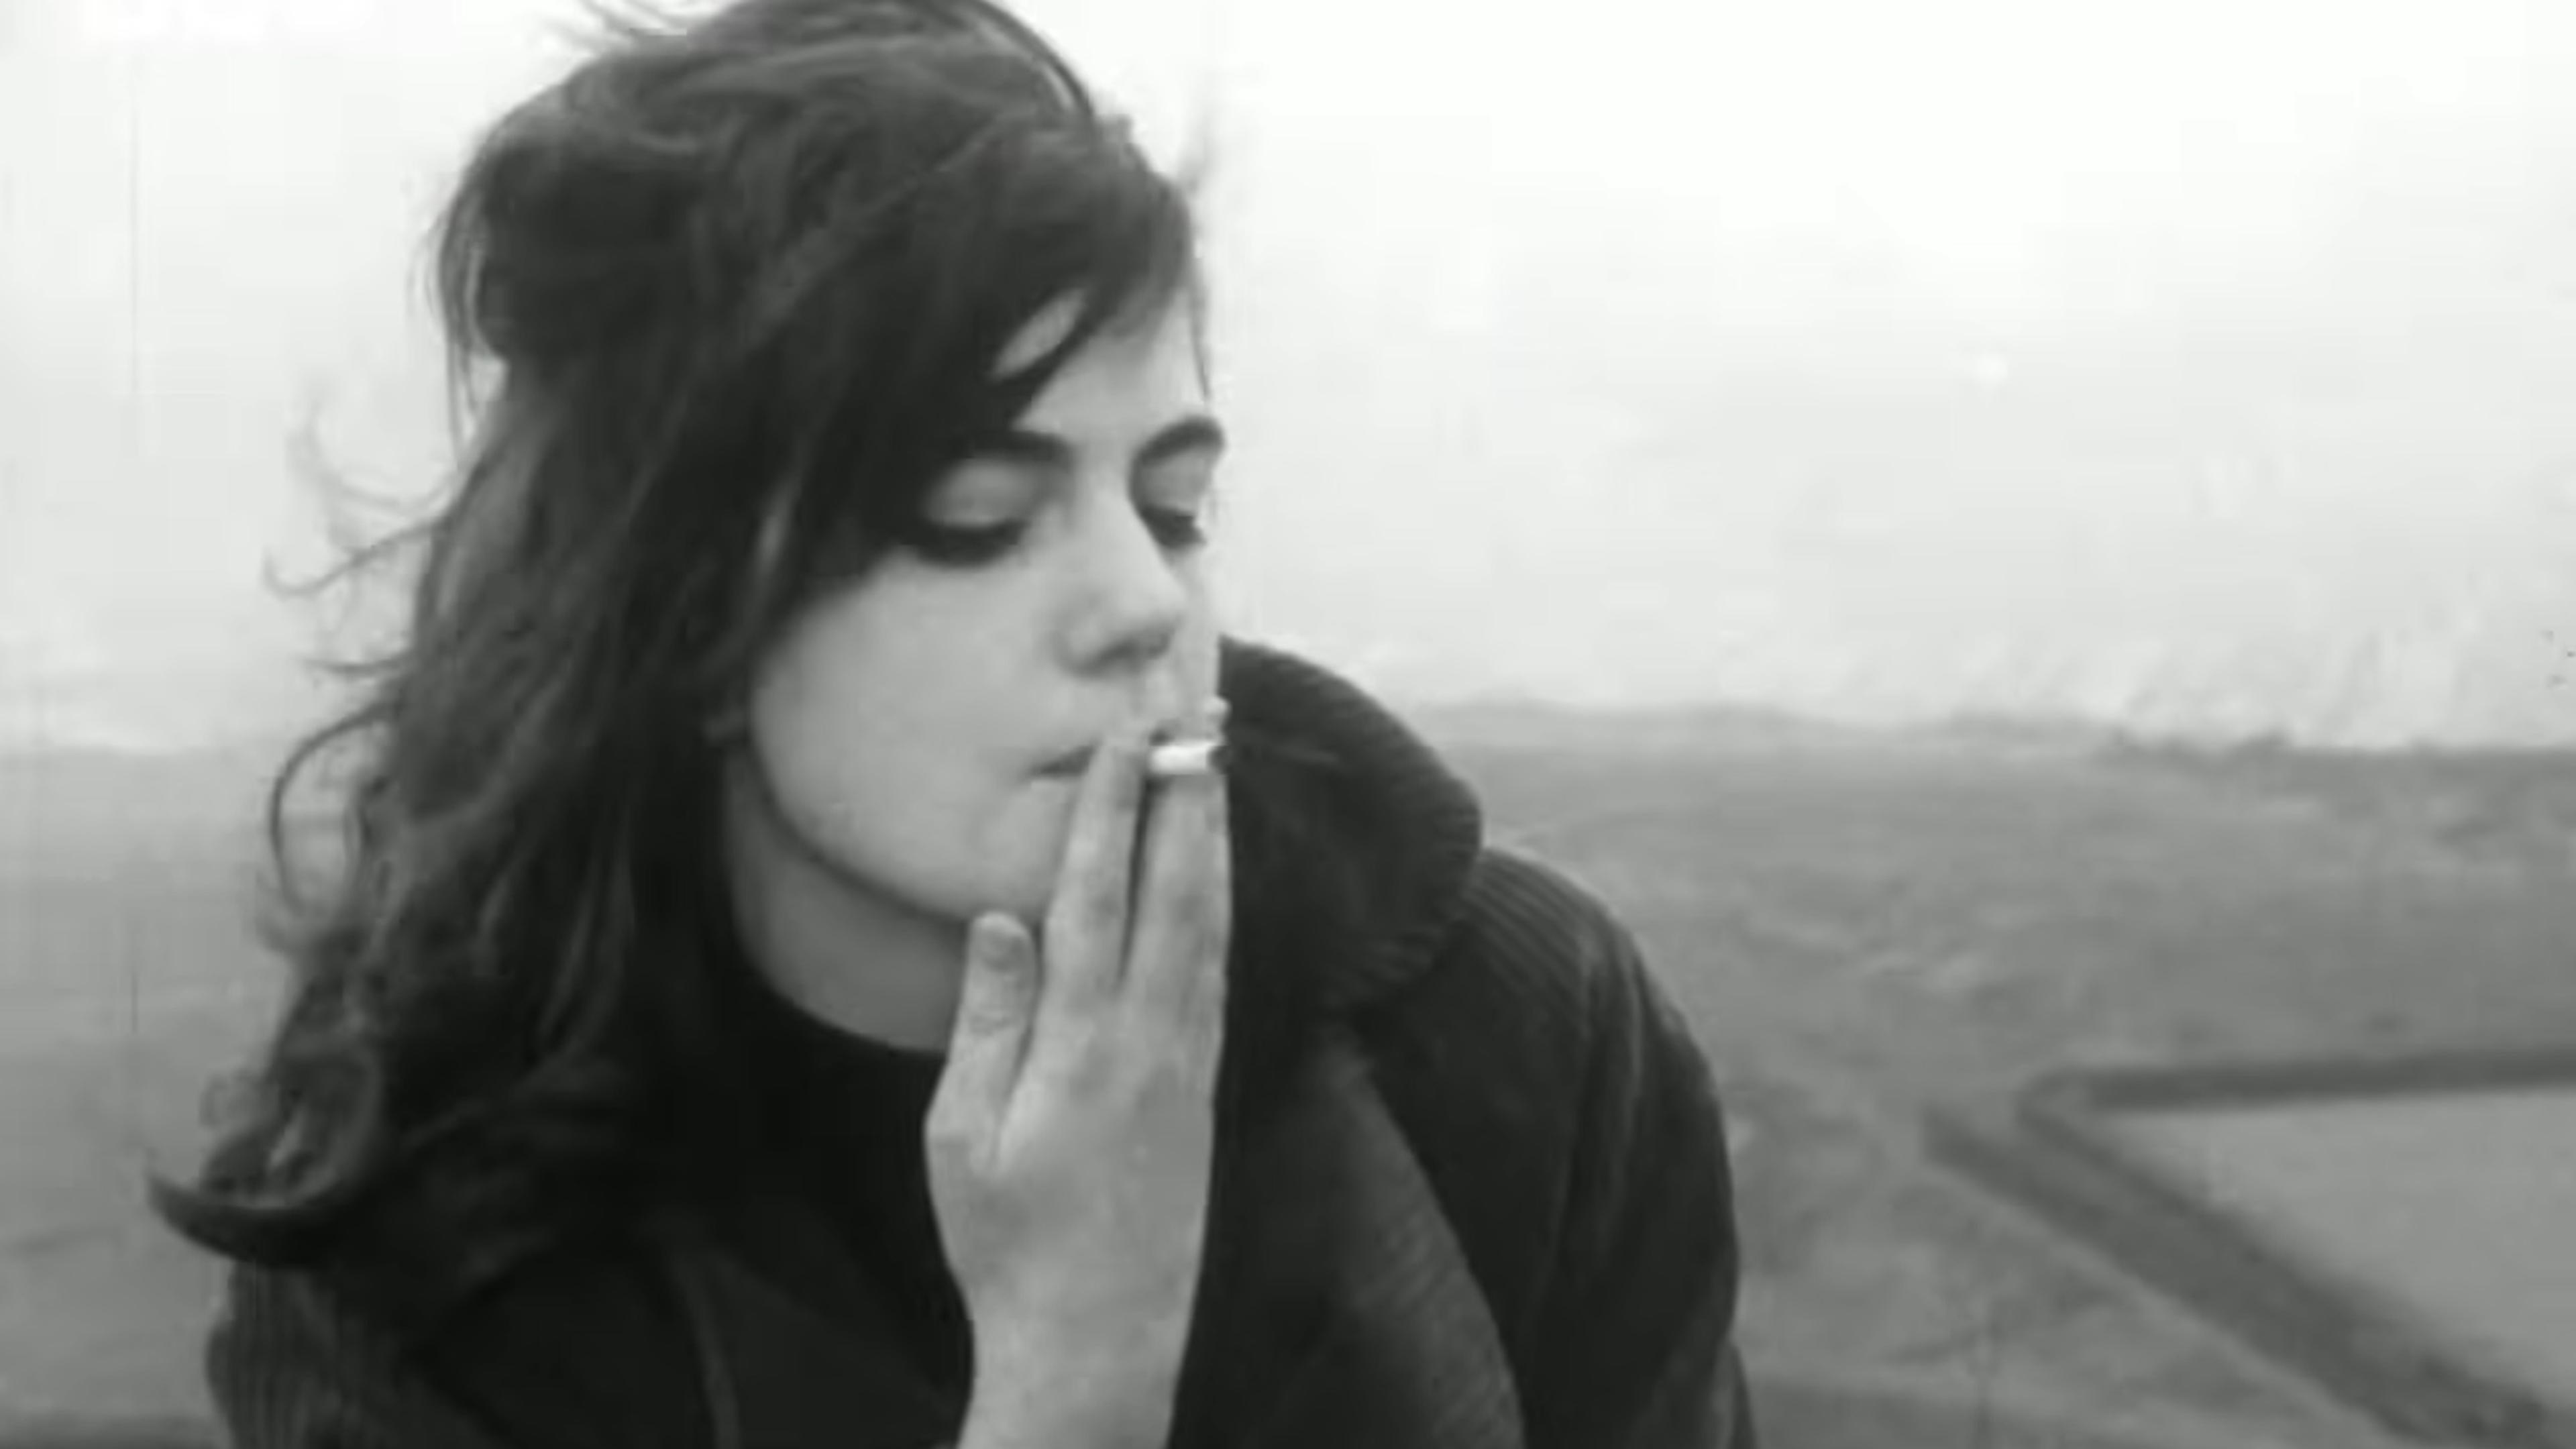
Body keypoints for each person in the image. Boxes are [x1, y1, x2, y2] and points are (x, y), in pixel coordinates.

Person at [150, 1, 1759, 1445]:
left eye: (1176, 505)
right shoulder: (422, 1280)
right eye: (978, 521)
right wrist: (1075, 1378)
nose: (1144, 605)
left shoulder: (1522, 1033)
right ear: (685, 620)